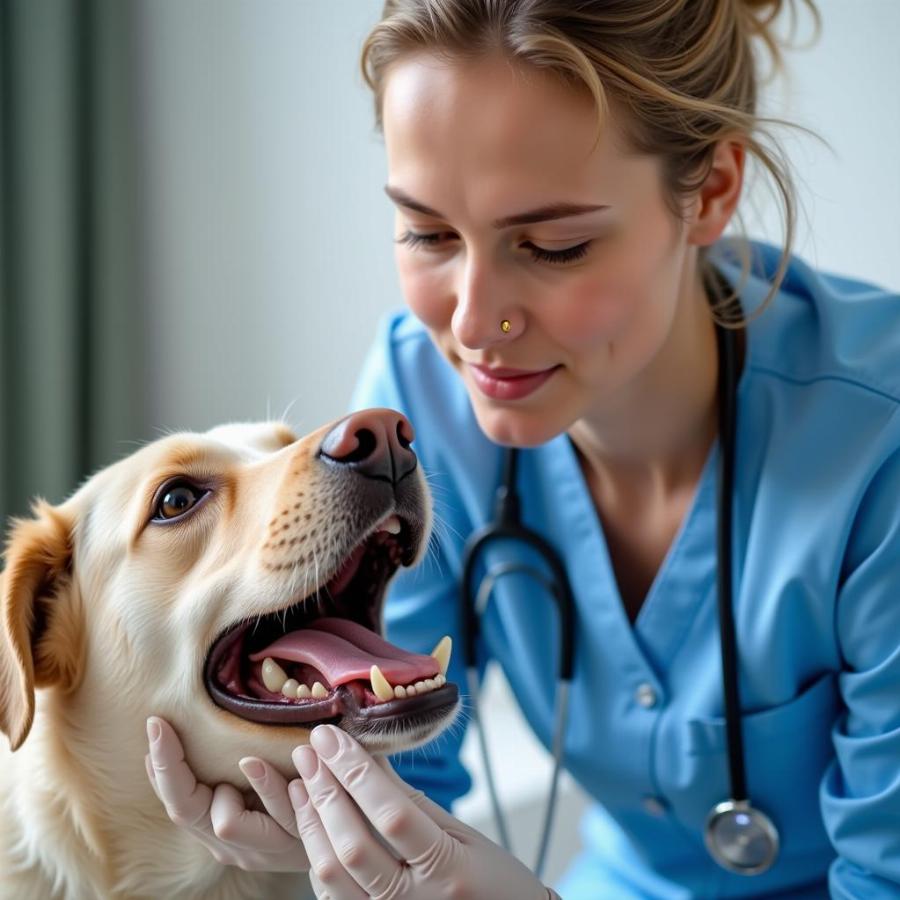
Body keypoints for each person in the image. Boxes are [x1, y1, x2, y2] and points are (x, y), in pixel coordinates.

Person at [146, 1, 900, 897]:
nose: (471, 323)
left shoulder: (875, 452)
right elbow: (397, 769)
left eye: (552, 245)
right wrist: (327, 828)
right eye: (428, 233)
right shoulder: (418, 395)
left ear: (711, 192)